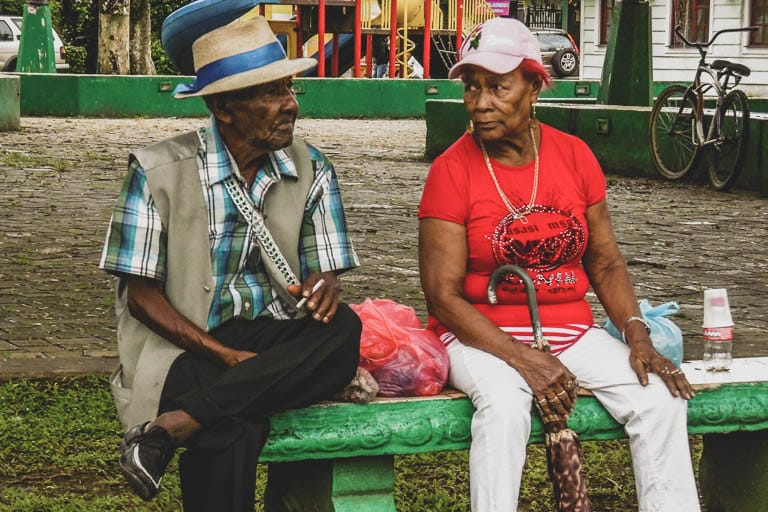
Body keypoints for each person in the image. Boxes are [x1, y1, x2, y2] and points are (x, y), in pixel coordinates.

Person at [418, 17, 701, 511]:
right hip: (480, 336)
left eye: (498, 87)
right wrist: (523, 357)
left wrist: (638, 338)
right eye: (471, 87)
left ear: (533, 87)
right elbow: (442, 294)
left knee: (659, 400)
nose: (480, 103)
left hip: (569, 332)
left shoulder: (574, 156)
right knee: (505, 408)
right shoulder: (451, 170)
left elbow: (606, 262)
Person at [99, 16, 362, 511]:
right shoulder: (157, 172)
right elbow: (141, 299)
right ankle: (202, 411)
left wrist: (323, 283)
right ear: (223, 107)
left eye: (288, 87)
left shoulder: (314, 168)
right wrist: (223, 357)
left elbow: (323, 267)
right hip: (182, 346)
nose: (290, 104)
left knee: (343, 329)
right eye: (270, 93)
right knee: (235, 420)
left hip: (269, 334)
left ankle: (173, 426)